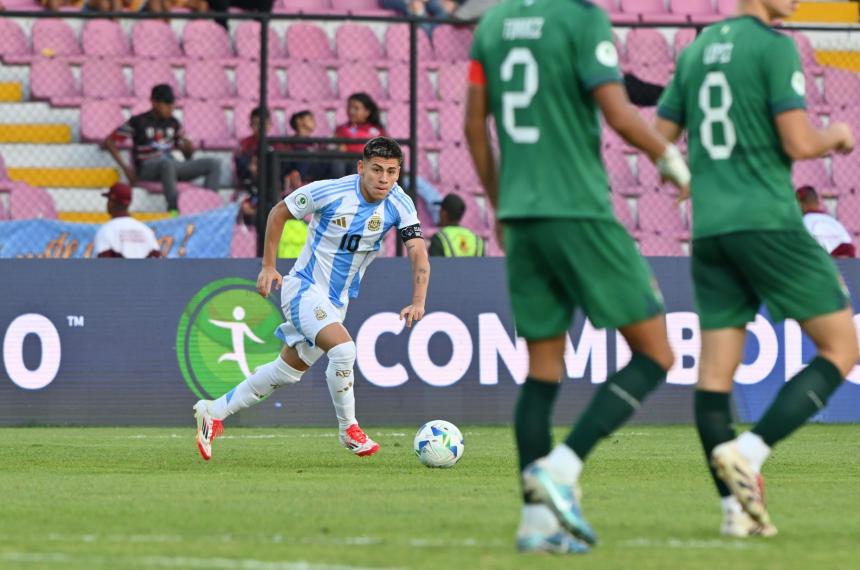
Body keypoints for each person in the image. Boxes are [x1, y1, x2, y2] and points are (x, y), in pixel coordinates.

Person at [465, 0, 690, 554]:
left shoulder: (491, 24)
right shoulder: (582, 17)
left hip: (522, 216)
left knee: (542, 370)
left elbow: (474, 127)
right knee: (657, 352)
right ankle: (563, 467)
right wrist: (668, 156)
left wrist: (499, 206)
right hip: (579, 211)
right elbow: (617, 110)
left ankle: (537, 527)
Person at [655, 0, 857, 539]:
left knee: (714, 377)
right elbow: (797, 141)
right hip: (768, 222)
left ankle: (734, 512)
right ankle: (750, 450)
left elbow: (660, 135)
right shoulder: (773, 46)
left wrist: (683, 177)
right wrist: (835, 135)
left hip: (712, 230)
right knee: (842, 347)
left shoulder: (696, 51)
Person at [192, 137, 430, 462]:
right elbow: (279, 212)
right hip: (303, 288)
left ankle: (212, 411)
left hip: (335, 303)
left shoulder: (400, 203)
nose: (384, 178)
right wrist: (268, 266)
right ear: (361, 168)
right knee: (344, 350)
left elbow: (418, 251)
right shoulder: (329, 191)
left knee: (287, 371)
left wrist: (418, 301)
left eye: (391, 171)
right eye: (376, 170)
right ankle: (349, 430)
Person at [105, 84, 221, 214]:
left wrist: (188, 148)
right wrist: (127, 169)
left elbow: (187, 156)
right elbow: (109, 142)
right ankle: (174, 210)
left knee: (213, 164)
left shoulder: (174, 123)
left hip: (171, 166)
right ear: (154, 102)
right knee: (167, 164)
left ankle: (211, 210)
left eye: (172, 105)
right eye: (166, 104)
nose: (170, 108)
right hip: (147, 167)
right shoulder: (138, 121)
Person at [93, 183, 161, 259]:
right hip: (144, 270)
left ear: (111, 203)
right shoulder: (146, 230)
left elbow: (103, 264)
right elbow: (156, 258)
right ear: (129, 203)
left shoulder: (106, 231)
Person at [332, 93, 386, 177]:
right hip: (345, 163)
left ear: (367, 112)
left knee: (359, 164)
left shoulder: (376, 130)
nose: (351, 111)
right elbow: (338, 147)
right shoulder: (341, 128)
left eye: (356, 108)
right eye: (349, 107)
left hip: (365, 164)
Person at [796, 185, 856, 258]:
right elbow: (849, 248)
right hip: (848, 263)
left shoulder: (803, 222)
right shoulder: (834, 222)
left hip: (820, 262)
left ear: (798, 203)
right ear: (818, 202)